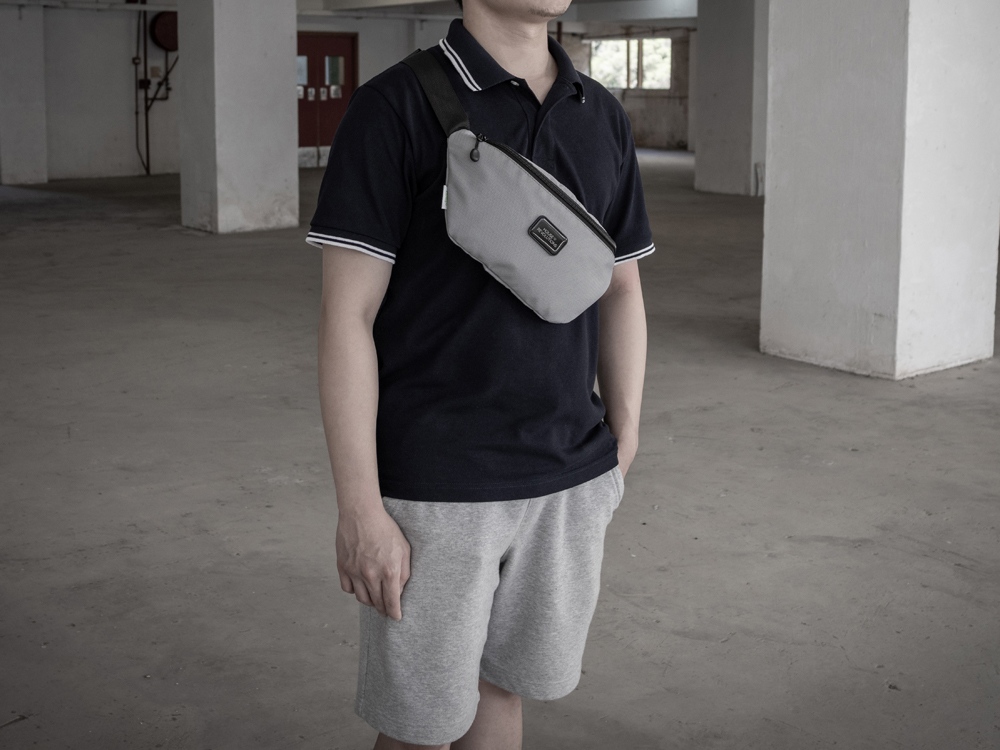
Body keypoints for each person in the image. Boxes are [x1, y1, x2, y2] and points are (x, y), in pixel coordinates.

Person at [307, 0, 655, 746]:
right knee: (419, 726)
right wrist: (360, 508)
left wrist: (622, 439)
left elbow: (622, 287)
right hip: (439, 484)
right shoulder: (394, 106)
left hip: (569, 474)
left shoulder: (599, 114)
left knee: (503, 689)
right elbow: (346, 318)